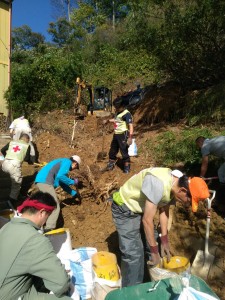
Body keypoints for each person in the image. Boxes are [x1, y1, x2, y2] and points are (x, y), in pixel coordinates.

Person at [110, 167, 209, 287]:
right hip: (125, 207)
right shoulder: (158, 184)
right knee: (134, 254)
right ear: (183, 190)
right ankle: (132, 291)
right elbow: (147, 220)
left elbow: (164, 211)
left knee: (153, 244)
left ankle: (148, 282)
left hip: (140, 208)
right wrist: (154, 252)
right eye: (189, 200)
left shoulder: (175, 185)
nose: (187, 204)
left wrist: (165, 240)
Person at [0, 191, 71, 299]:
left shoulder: (7, 227)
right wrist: (59, 274)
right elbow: (61, 284)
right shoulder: (35, 240)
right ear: (42, 213)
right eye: (47, 217)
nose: (45, 222)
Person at [35, 155, 81, 231]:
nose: (73, 170)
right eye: (76, 168)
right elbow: (60, 176)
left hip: (41, 180)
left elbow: (61, 183)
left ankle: (39, 225)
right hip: (45, 181)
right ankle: (49, 228)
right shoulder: (67, 162)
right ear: (75, 164)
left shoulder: (63, 164)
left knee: (46, 205)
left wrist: (73, 193)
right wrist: (73, 182)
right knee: (55, 205)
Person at [103, 97, 134, 173]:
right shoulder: (118, 113)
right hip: (116, 134)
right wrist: (108, 121)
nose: (116, 108)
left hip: (123, 134)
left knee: (123, 151)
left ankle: (126, 167)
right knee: (113, 150)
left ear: (122, 106)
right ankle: (111, 164)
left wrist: (130, 137)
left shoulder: (127, 114)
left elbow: (130, 126)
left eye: (117, 107)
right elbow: (117, 120)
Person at [1, 133, 30, 205]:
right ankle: (11, 203)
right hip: (14, 165)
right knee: (16, 185)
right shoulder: (26, 146)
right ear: (27, 139)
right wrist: (30, 162)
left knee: (9, 179)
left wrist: (7, 156)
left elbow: (2, 150)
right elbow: (27, 159)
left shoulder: (12, 142)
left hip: (5, 163)